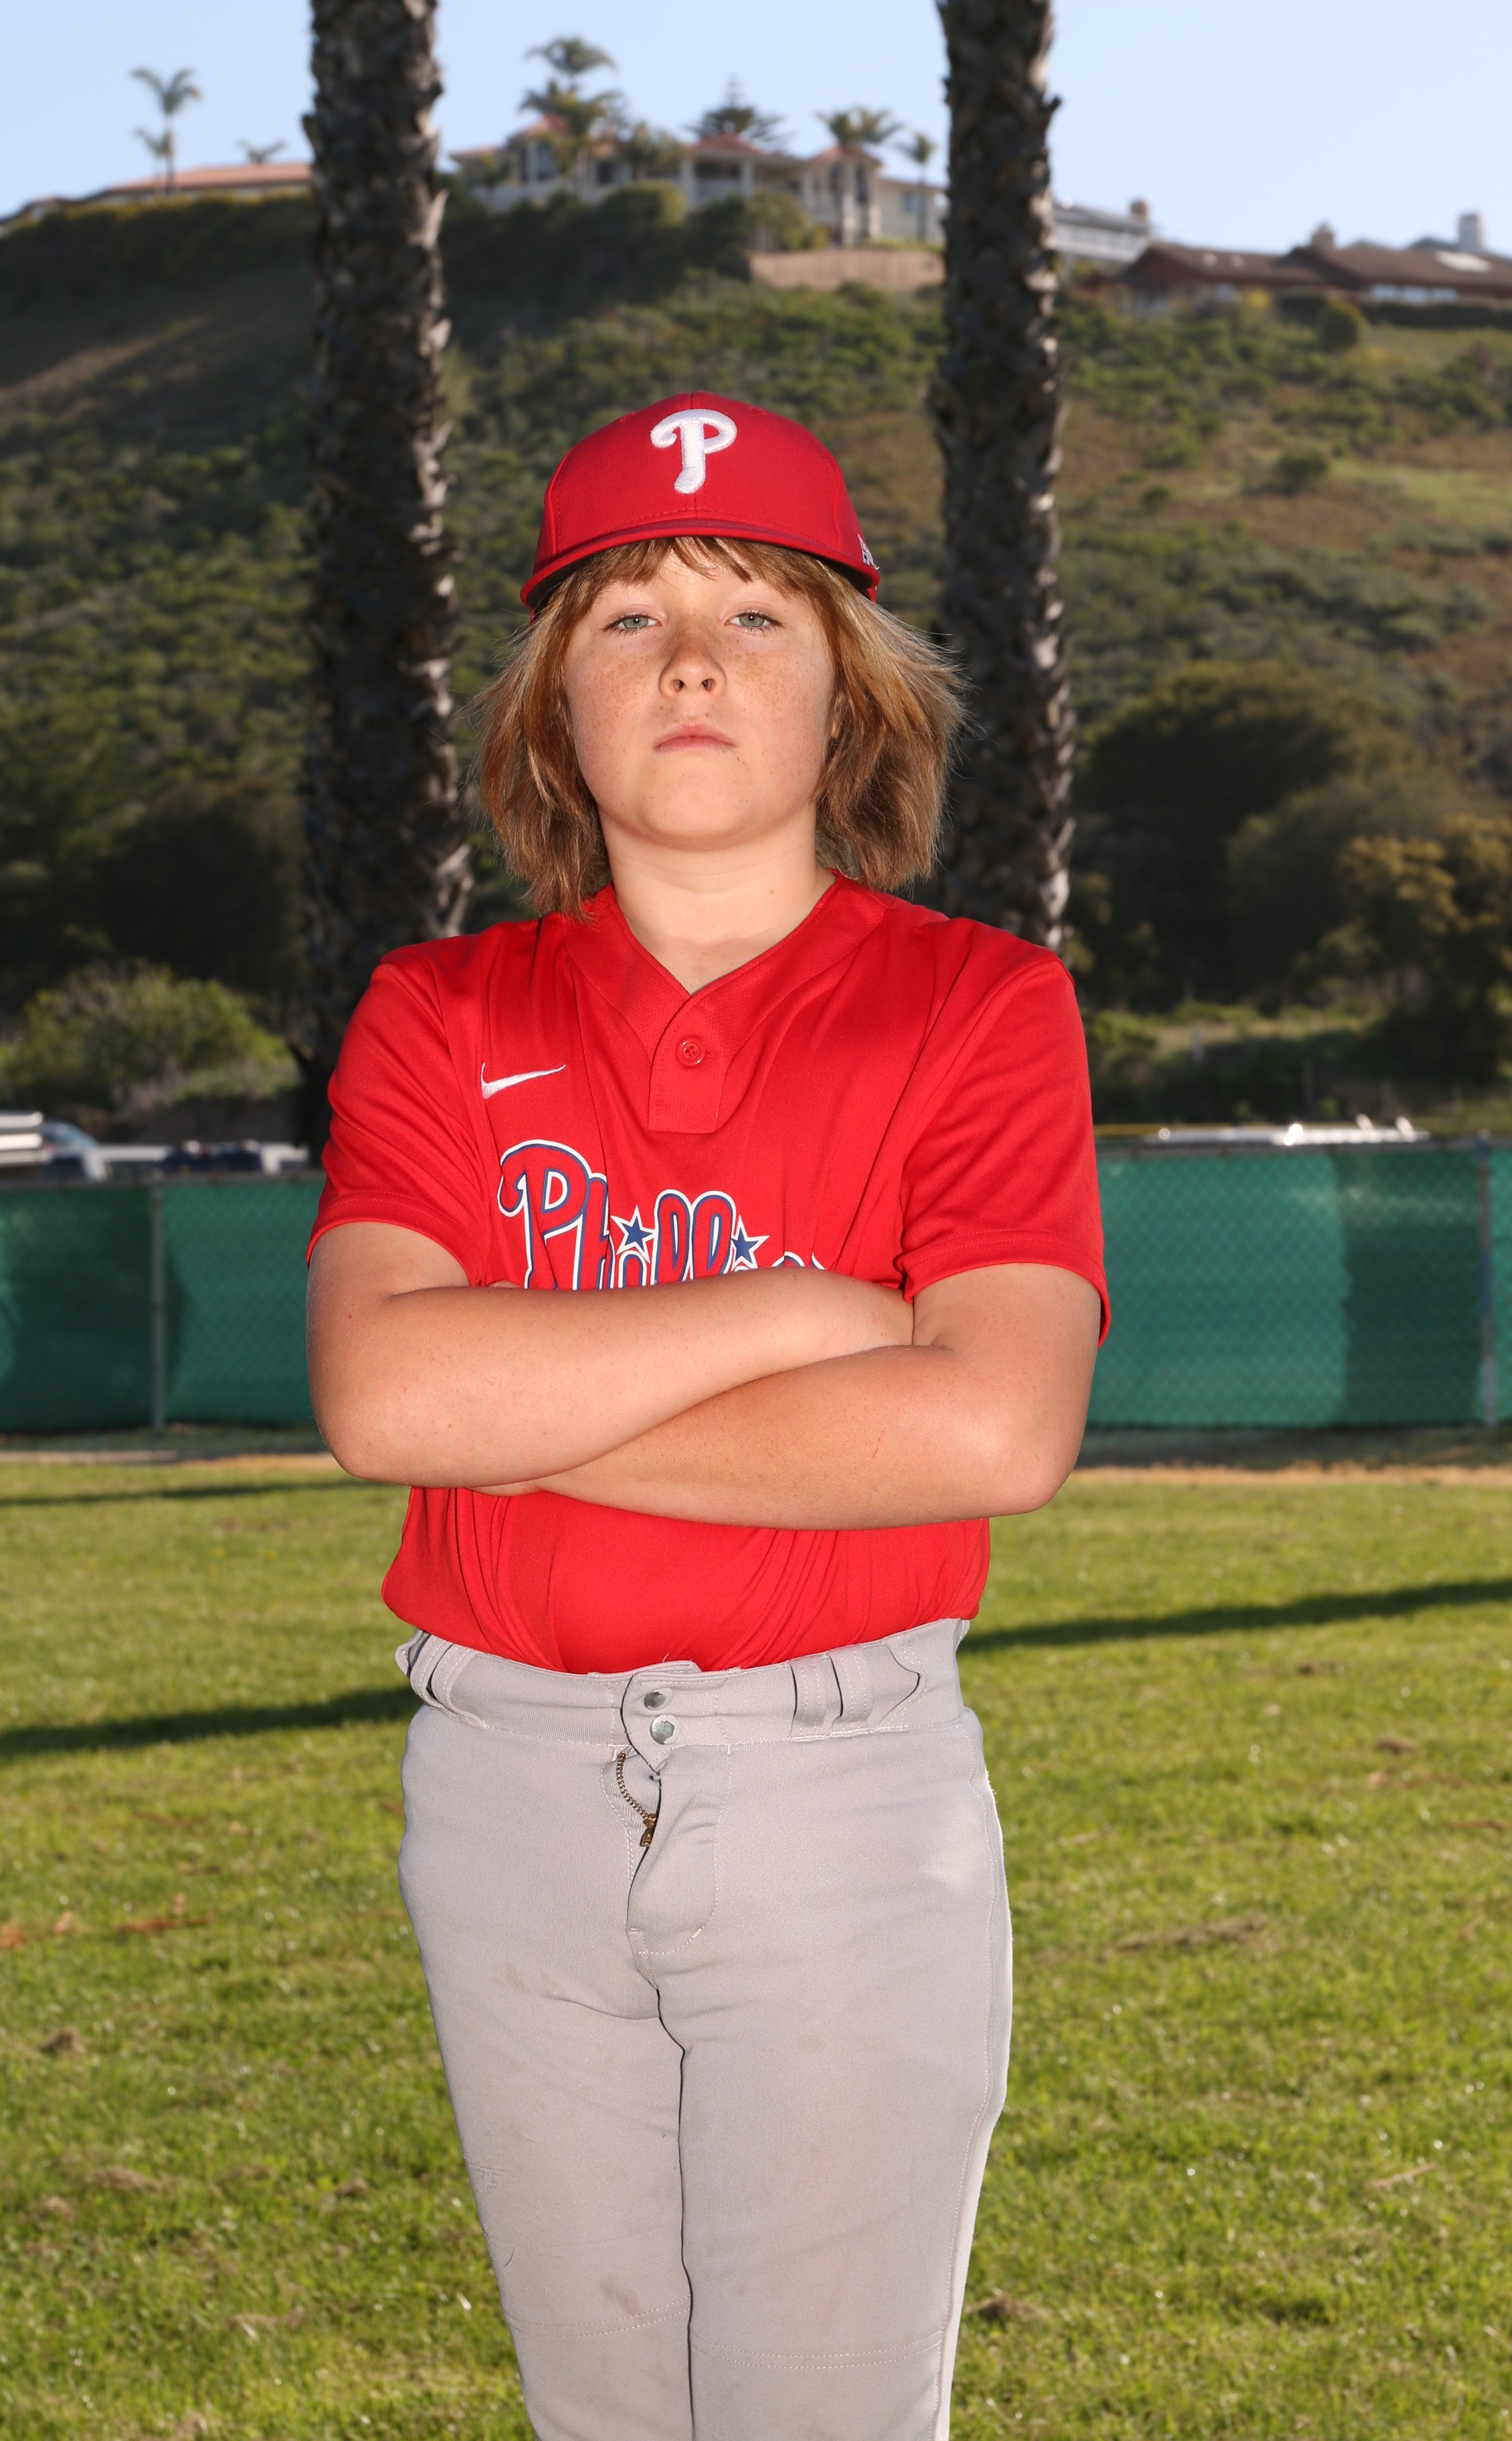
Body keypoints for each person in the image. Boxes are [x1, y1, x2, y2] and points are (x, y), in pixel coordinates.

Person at [306, 391, 1107, 2441]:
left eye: (758, 614)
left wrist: (509, 1402)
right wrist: (801, 1316)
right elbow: (383, 1393)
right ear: (550, 711)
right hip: (504, 1787)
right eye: (623, 617)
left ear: (849, 699)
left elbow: (991, 1434)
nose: (687, 660)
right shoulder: (439, 1010)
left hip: (836, 1784)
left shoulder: (981, 1004)